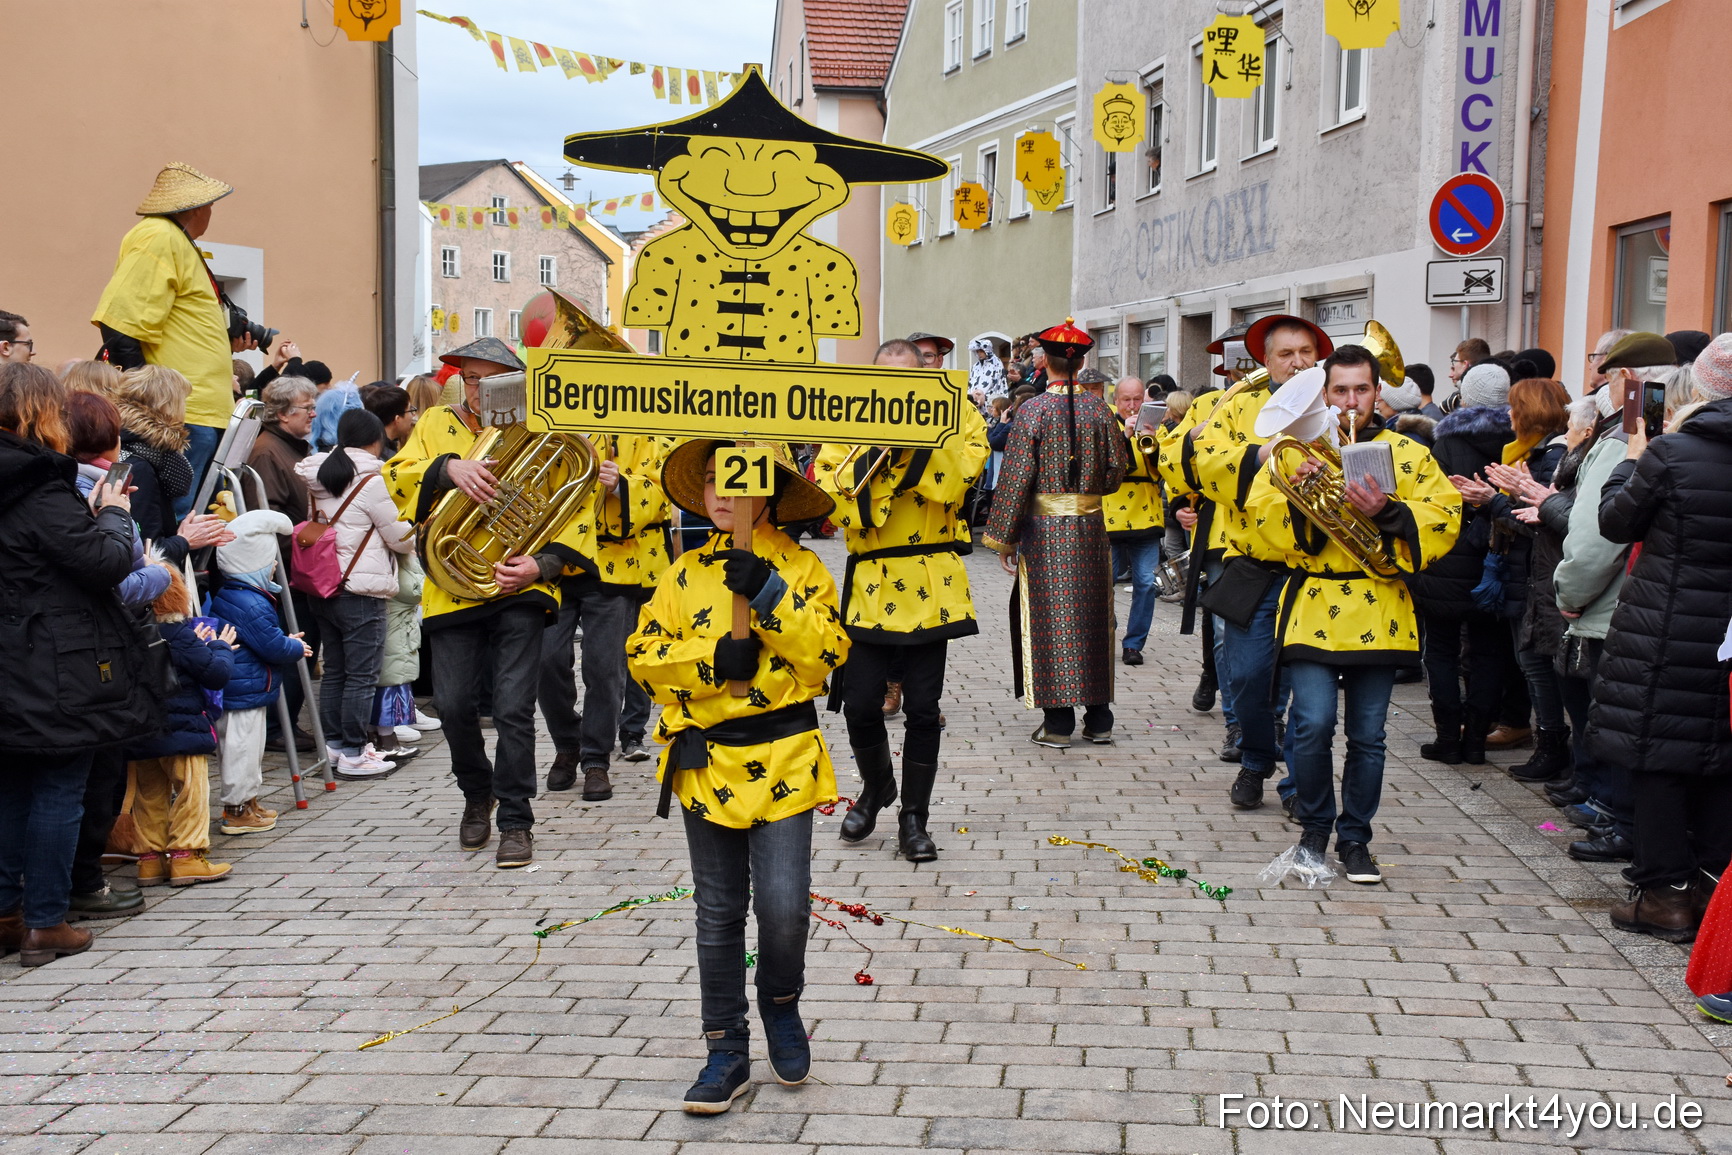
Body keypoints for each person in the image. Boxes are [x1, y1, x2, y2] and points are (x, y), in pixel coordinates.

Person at [626, 439, 848, 1113]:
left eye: (741, 479)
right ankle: (725, 1048)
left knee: (783, 905)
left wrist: (768, 591)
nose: (725, 493)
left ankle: (781, 1001)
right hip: (705, 760)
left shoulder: (804, 567)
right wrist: (709, 659)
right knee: (718, 911)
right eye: (715, 480)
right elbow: (642, 655)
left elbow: (824, 655)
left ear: (769, 492)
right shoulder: (682, 571)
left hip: (784, 758)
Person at [1246, 349, 1461, 883]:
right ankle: (1315, 828)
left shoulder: (1408, 453)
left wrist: (1387, 512)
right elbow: (1260, 519)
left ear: (1376, 394)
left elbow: (1446, 512)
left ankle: (1357, 837)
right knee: (1312, 724)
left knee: (1368, 736)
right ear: (1325, 395)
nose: (1350, 402)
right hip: (1314, 604)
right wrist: (1307, 505)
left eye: (1359, 391)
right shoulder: (1298, 455)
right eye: (1339, 391)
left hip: (1381, 606)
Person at [384, 336, 595, 869]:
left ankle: (516, 820)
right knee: (454, 706)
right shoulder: (436, 426)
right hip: (452, 586)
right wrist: (447, 468)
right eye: (471, 379)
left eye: (492, 379)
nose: (480, 389)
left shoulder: (543, 431)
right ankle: (477, 794)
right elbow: (393, 478)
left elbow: (575, 506)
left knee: (513, 708)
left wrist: (542, 565)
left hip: (518, 588)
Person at [0, 364, 158, 962]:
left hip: (14, 653)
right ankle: (45, 922)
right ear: (43, 415)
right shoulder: (39, 485)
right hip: (53, 661)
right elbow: (103, 562)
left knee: (12, 785)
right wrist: (114, 510)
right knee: (60, 786)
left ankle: (7, 915)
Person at [814, 338, 988, 861]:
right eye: (885, 378)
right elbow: (834, 496)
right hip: (869, 581)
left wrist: (911, 449)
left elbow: (960, 477)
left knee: (922, 708)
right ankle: (876, 787)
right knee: (860, 703)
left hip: (932, 581)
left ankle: (915, 817)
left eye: (906, 378)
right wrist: (874, 451)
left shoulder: (957, 413)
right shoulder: (851, 420)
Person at [1591, 333, 1732, 943]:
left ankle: (1663, 896)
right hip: (1726, 637)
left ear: (1697, 388)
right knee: (1719, 760)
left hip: (1666, 631)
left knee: (1658, 760)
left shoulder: (1672, 453)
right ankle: (1708, 889)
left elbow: (1615, 519)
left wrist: (1632, 454)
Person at [1189, 314, 1333, 806]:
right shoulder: (1236, 406)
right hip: (1254, 565)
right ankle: (1255, 755)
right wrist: (1259, 452)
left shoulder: (1335, 402)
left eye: (1306, 353)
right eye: (1286, 354)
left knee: (1307, 691)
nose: (1297, 363)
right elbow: (1205, 465)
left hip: (1318, 571)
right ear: (1266, 361)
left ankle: (1295, 782)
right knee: (1248, 675)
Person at [983, 320, 1128, 747]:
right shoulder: (1101, 410)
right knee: (1094, 617)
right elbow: (1117, 471)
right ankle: (1100, 719)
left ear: (1044, 361)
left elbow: (1015, 478)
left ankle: (1059, 723)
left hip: (1045, 532)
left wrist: (1003, 537)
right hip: (1090, 527)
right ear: (1081, 361)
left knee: (1051, 620)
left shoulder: (1031, 410)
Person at [63, 390, 172, 920]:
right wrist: (160, 572)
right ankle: (78, 885)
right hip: (98, 652)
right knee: (92, 776)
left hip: (79, 651)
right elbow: (115, 579)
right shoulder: (95, 491)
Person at [91, 163, 240, 514]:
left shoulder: (172, 240)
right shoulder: (159, 235)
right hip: (182, 414)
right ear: (194, 207)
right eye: (210, 206)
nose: (211, 214)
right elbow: (120, 322)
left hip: (196, 410)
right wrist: (149, 400)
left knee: (194, 522)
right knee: (177, 521)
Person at [539, 433, 673, 801]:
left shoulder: (641, 430)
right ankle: (568, 744)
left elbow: (664, 495)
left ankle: (596, 759)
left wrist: (621, 486)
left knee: (605, 668)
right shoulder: (550, 427)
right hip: (553, 562)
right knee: (545, 661)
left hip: (615, 565)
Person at [297, 409, 417, 779]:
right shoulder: (372, 481)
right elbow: (400, 538)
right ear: (375, 439)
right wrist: (417, 525)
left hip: (324, 586)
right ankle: (354, 751)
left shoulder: (318, 478)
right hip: (361, 590)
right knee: (362, 675)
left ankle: (334, 746)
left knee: (335, 671)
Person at [1408, 361, 1515, 766]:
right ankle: (1476, 742)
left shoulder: (1447, 442)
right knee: (1489, 651)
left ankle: (1448, 739)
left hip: (1446, 559)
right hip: (1495, 558)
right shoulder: (1518, 439)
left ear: (1465, 397)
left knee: (1441, 650)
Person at [1479, 379, 1572, 785]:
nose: (1509, 416)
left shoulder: (1550, 456)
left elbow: (1537, 522)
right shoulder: (1531, 452)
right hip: (1525, 571)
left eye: (1514, 408)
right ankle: (1548, 743)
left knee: (1538, 664)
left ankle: (1551, 746)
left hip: (1538, 575)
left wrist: (1493, 501)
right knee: (1529, 661)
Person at [129, 561, 236, 888]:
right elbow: (216, 674)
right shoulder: (181, 636)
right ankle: (186, 856)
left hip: (141, 733)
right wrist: (219, 646)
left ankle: (149, 860)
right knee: (191, 790)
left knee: (148, 796)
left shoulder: (129, 638)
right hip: (183, 733)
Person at [209, 510, 311, 834]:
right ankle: (236, 810)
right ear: (253, 565)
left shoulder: (242, 596)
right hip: (243, 693)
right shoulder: (252, 602)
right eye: (271, 562)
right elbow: (270, 644)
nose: (276, 566)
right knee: (241, 750)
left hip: (248, 689)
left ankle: (248, 802)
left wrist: (282, 640)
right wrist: (294, 647)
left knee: (250, 749)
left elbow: (263, 638)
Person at [246, 376, 319, 752]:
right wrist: (310, 537)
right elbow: (268, 517)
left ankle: (286, 721)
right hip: (287, 570)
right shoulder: (267, 451)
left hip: (302, 566)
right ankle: (278, 727)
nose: (313, 413)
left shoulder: (291, 446)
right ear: (282, 413)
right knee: (292, 647)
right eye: (306, 407)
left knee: (304, 647)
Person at [113, 365, 234, 566]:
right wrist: (185, 540)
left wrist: (184, 531)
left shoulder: (129, 448)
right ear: (169, 406)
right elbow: (147, 552)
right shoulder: (141, 465)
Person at [1104, 374, 1164, 665]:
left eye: (1137, 399)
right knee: (1104, 582)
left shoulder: (1156, 428)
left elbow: (1163, 470)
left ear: (1145, 399)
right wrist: (1124, 437)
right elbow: (1105, 466)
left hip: (1146, 515)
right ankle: (1107, 631)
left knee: (1146, 583)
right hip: (1111, 517)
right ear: (1116, 401)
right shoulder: (1106, 426)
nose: (1131, 405)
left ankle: (1134, 644)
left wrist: (1151, 441)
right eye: (1126, 399)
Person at [364, 385, 417, 455]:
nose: (413, 415)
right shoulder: (387, 459)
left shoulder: (367, 445)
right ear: (397, 419)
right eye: (410, 409)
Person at [967, 336, 1009, 401]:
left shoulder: (996, 364)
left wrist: (985, 397)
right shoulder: (976, 366)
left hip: (990, 400)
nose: (979, 354)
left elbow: (998, 384)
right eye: (977, 351)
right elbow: (971, 382)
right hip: (974, 400)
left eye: (981, 351)